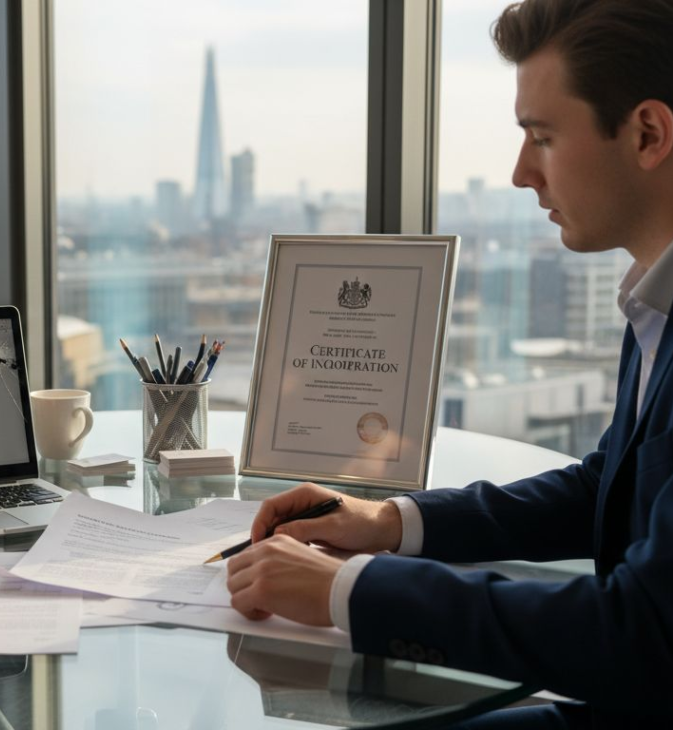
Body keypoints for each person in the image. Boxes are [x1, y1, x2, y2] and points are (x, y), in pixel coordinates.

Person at [226, 1, 673, 727]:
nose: (520, 172)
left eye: (542, 137)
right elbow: (607, 486)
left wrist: (351, 590)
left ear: (647, 133)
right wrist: (386, 521)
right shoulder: (653, 294)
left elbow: (644, 631)